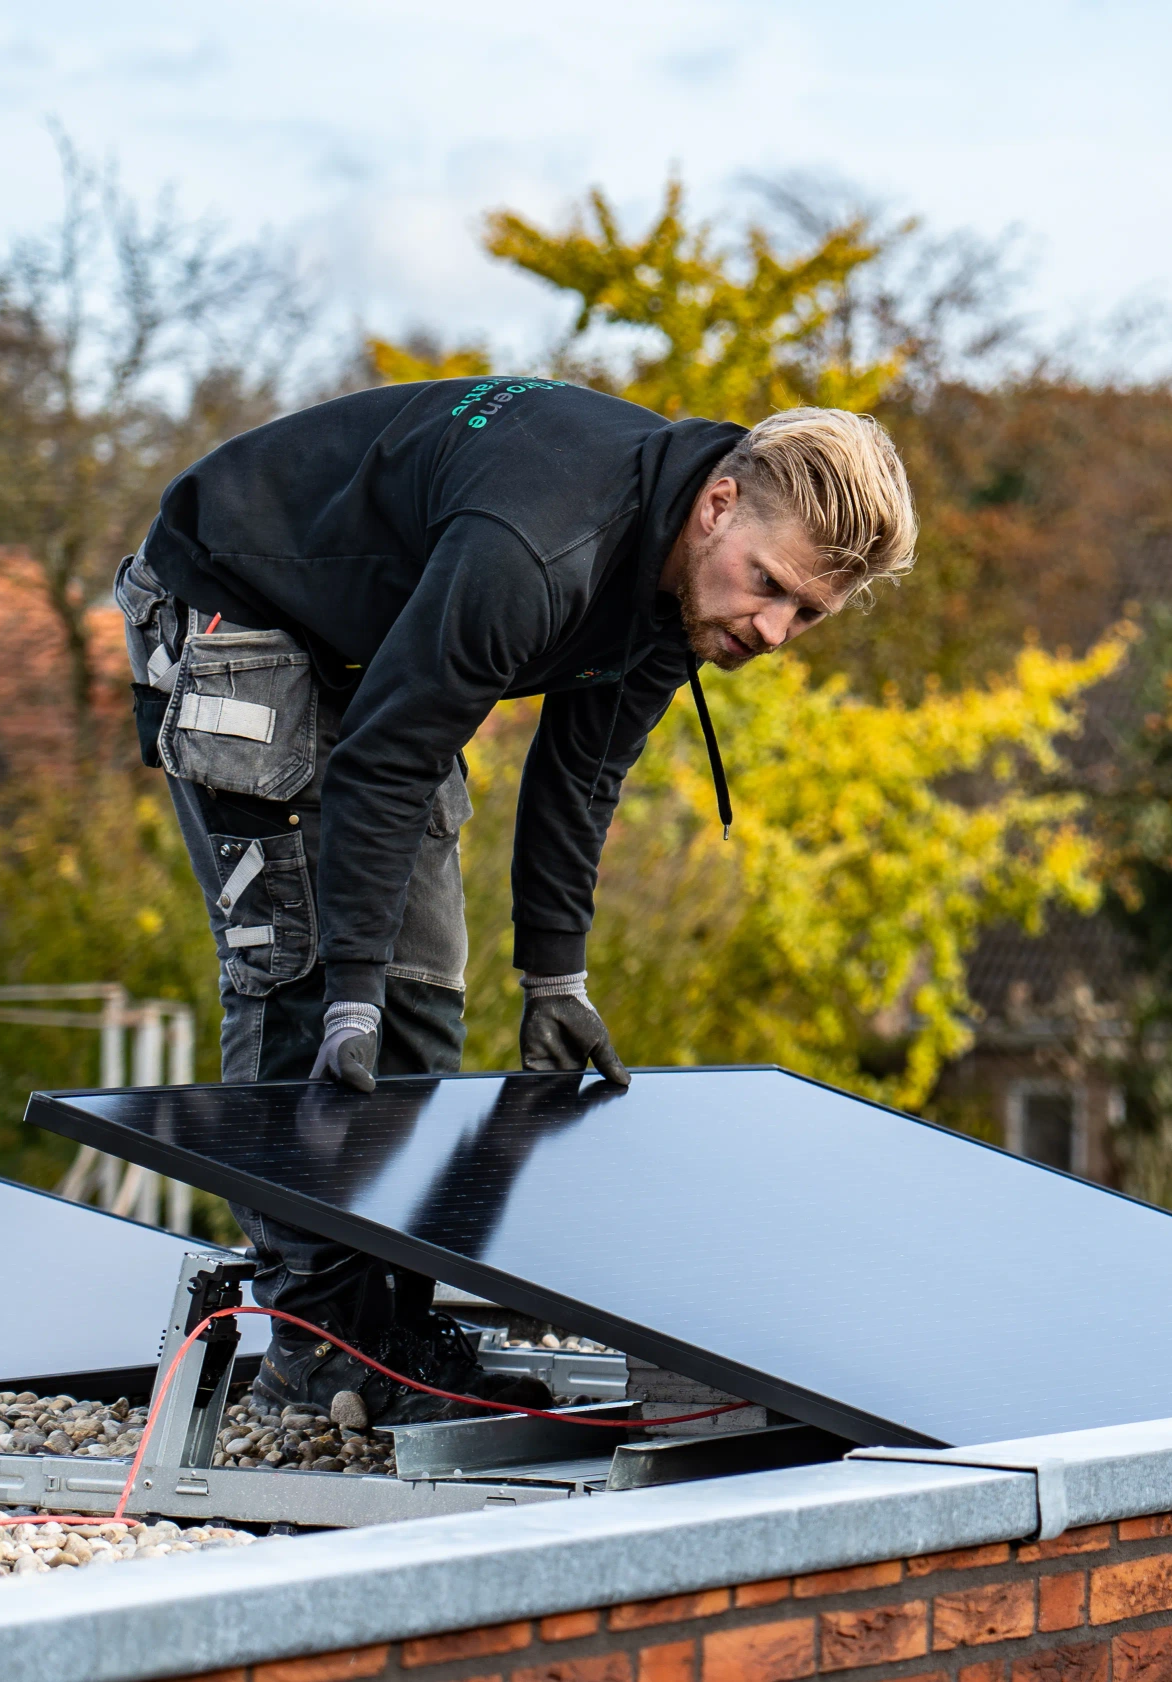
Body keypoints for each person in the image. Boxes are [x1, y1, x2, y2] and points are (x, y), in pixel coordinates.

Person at [116, 379, 917, 1422]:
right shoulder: (537, 547)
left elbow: (581, 777)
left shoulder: (683, 592)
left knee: (419, 991)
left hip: (375, 641)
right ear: (718, 505)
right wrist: (348, 983)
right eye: (768, 584)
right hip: (236, 599)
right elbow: (389, 757)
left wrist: (554, 978)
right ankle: (318, 1350)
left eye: (806, 612)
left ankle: (391, 1334)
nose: (771, 629)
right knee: (311, 971)